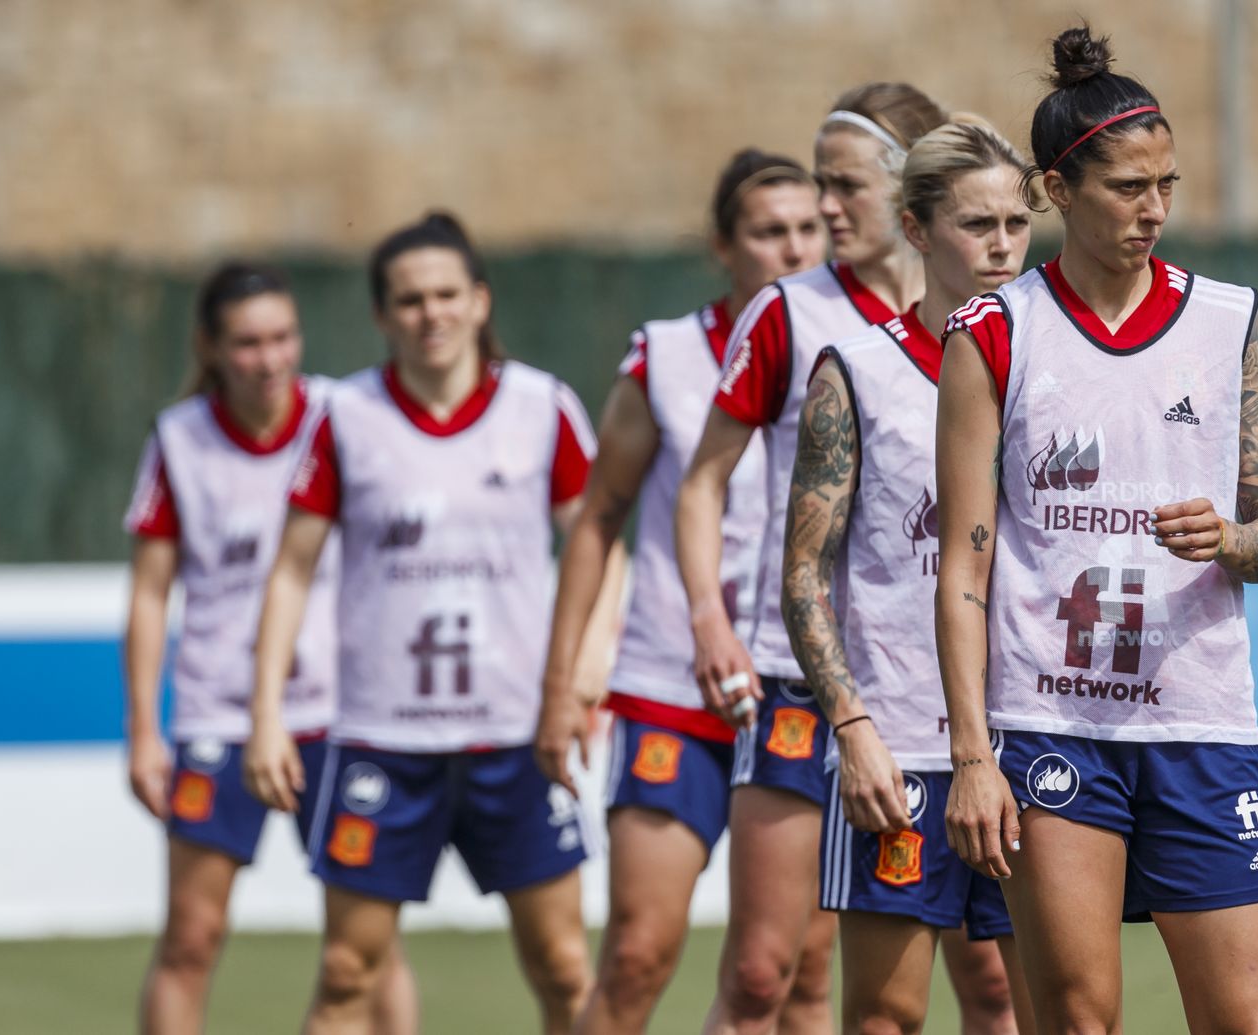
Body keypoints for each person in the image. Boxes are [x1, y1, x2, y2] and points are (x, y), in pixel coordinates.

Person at [936, 25, 1258, 1035]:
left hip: (1200, 725)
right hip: (1054, 727)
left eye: (1166, 186)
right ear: (1059, 190)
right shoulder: (994, 334)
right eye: (1127, 188)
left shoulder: (1230, 321)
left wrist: (1228, 539)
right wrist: (971, 755)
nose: (1153, 210)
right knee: (1078, 1020)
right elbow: (962, 569)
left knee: (1244, 1022)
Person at [679, 83, 1013, 1033]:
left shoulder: (1019, 329)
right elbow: (703, 481)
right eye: (816, 184)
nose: (825, 208)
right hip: (816, 684)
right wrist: (711, 615)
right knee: (769, 972)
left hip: (984, 709)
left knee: (992, 984)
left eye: (844, 184)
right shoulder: (801, 320)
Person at [245, 212, 612, 1035]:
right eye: (409, 300)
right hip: (383, 739)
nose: (431, 313)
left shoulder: (541, 406)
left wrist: (588, 670)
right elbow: (291, 570)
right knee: (346, 973)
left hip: (519, 734)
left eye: (447, 293)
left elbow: (599, 544)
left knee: (563, 966)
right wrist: (266, 713)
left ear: (480, 301)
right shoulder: (344, 417)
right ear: (382, 315)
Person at [537, 148, 824, 1035]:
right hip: (673, 683)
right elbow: (598, 518)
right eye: (769, 232)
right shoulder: (665, 357)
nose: (793, 249)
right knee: (635, 952)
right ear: (723, 246)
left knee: (798, 975)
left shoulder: (854, 350)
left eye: (809, 228)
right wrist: (558, 689)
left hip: (798, 684)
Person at [782, 116, 1036, 1035]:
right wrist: (852, 729)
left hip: (1031, 743)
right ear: (920, 230)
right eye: (977, 224)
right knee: (887, 1016)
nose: (1002, 244)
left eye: (1016, 221)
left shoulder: (1062, 365)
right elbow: (804, 572)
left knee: (1036, 1006)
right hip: (900, 751)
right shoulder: (855, 370)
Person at [123, 263, 414, 1034]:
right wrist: (145, 730)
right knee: (192, 935)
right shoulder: (178, 439)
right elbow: (150, 595)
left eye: (283, 336)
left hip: (344, 711)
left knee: (369, 946)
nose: (270, 357)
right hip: (219, 712)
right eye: (248, 342)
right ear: (211, 348)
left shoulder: (343, 416)